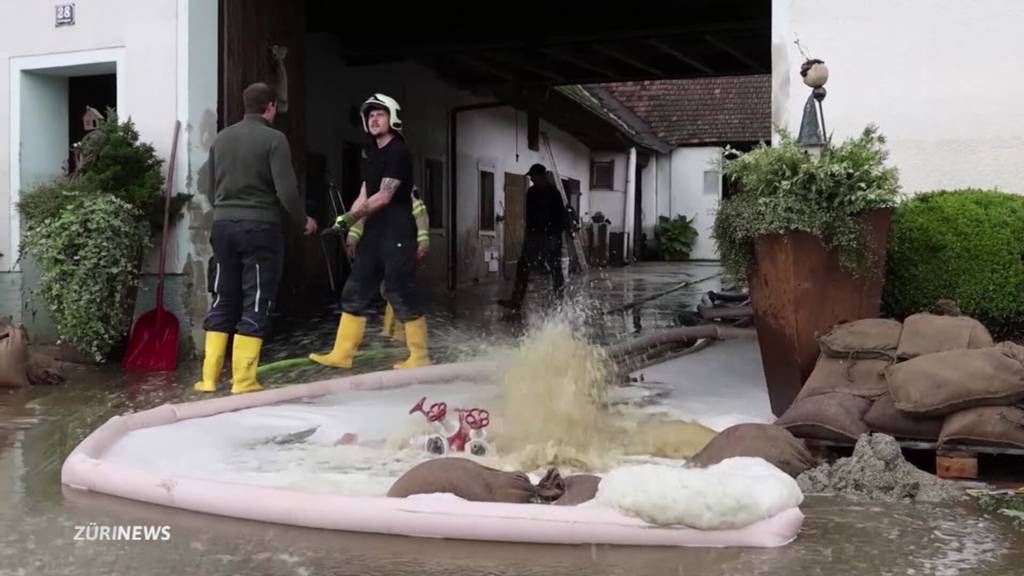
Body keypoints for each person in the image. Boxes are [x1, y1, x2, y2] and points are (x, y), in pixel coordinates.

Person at [194, 82, 317, 394]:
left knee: (224, 296)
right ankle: (244, 381)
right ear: (271, 106)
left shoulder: (221, 139)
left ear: (245, 105)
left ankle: (208, 379)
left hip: (222, 228)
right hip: (259, 229)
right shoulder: (275, 139)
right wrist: (303, 220)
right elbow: (286, 191)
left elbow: (208, 188)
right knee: (257, 298)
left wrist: (225, 209)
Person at [310, 93, 430, 370]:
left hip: (398, 232)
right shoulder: (372, 154)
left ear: (393, 119)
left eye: (380, 114)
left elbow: (384, 196)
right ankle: (342, 354)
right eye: (370, 115)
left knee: (399, 290)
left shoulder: (399, 151)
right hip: (375, 234)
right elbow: (365, 193)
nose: (374, 119)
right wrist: (347, 223)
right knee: (355, 289)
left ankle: (420, 355)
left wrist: (351, 216)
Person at [346, 186, 430, 342]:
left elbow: (421, 216)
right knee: (388, 290)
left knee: (397, 289)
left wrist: (423, 241)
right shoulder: (373, 192)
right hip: (380, 248)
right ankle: (391, 330)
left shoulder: (406, 193)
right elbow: (362, 215)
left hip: (401, 247)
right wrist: (352, 237)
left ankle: (401, 333)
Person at [498, 163, 568, 313]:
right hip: (534, 236)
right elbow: (529, 218)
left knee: (556, 270)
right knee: (522, 265)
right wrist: (529, 239)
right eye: (531, 178)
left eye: (534, 177)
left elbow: (560, 218)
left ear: (542, 176)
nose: (532, 180)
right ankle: (516, 300)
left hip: (551, 236)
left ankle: (559, 302)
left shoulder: (554, 193)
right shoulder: (531, 193)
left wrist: (554, 238)